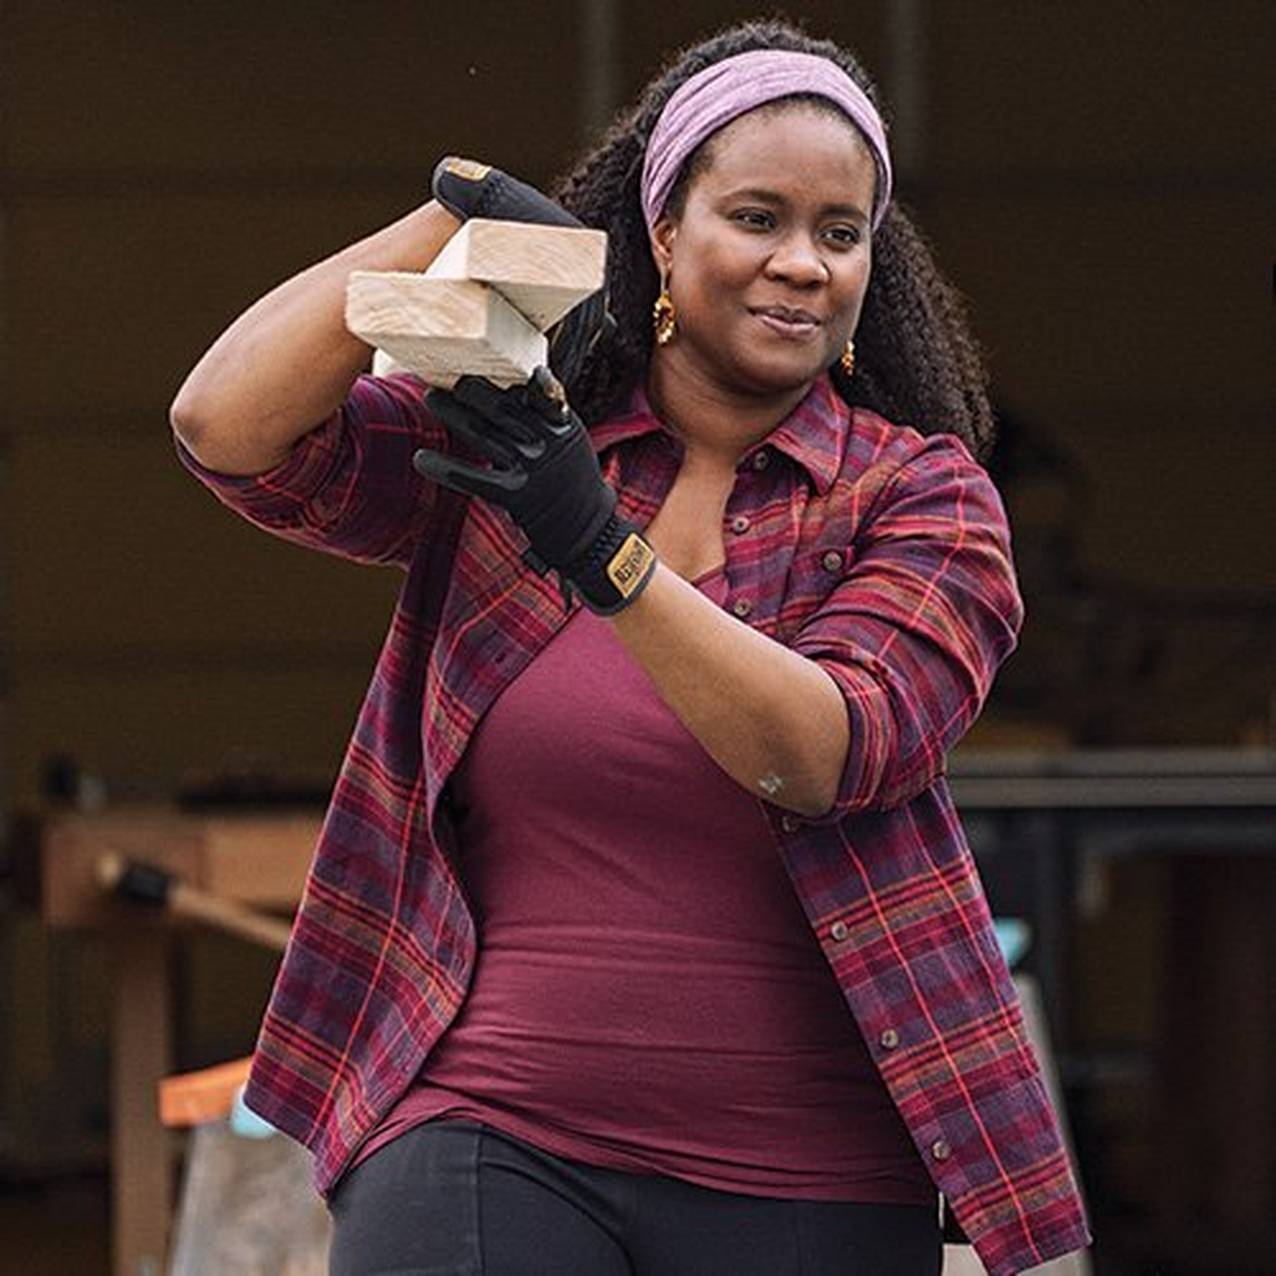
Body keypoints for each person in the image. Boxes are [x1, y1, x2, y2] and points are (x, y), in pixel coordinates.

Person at [171, 18, 1090, 1276]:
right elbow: (226, 425)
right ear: (659, 235)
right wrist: (446, 224)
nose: (801, 264)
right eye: (755, 218)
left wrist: (601, 546)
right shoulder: (517, 447)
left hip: (809, 1170)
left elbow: (825, 750)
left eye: (840, 233)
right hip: (490, 1119)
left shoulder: (922, 498)